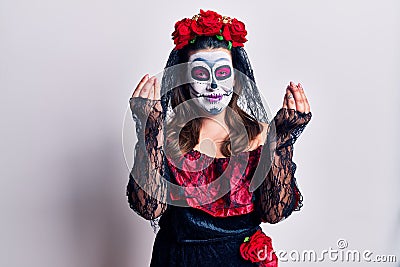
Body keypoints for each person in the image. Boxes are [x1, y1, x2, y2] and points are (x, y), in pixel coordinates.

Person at [126, 9, 312, 266]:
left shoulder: (260, 135)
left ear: (236, 79)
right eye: (201, 74)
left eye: (222, 73)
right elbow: (149, 209)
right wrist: (149, 130)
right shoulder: (166, 138)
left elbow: (275, 212)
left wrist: (281, 141)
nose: (214, 85)